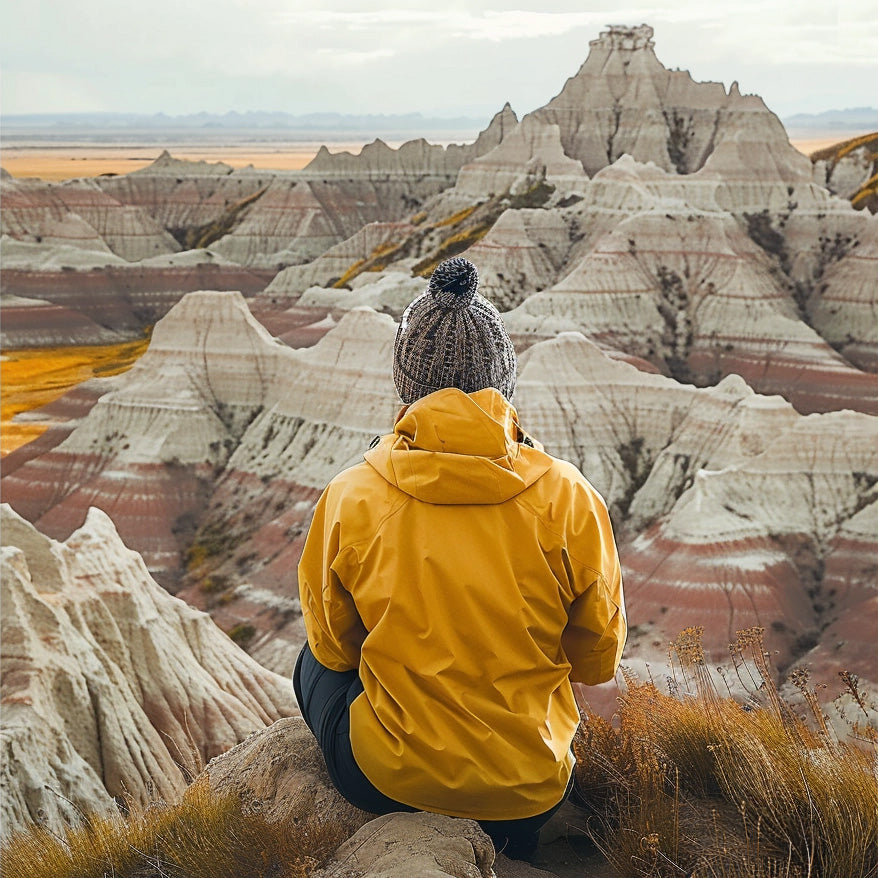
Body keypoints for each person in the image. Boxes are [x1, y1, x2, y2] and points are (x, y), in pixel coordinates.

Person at [294, 256, 626, 860]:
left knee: (307, 664)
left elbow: (334, 649)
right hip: (531, 787)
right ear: (502, 381)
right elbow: (596, 659)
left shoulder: (352, 495)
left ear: (406, 383)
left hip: (387, 781)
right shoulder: (570, 497)